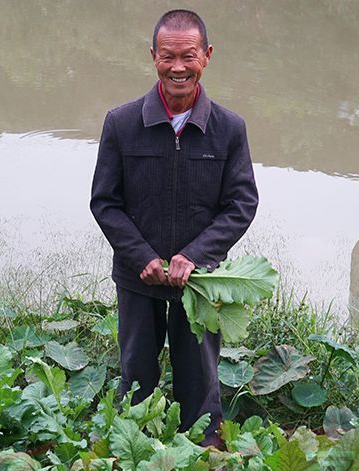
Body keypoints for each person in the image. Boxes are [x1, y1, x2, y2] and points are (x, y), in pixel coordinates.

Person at [89, 9, 258, 448]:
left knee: (200, 381)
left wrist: (196, 256)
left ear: (207, 55)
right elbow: (104, 202)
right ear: (153, 56)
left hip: (200, 284)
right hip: (137, 277)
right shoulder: (121, 124)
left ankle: (203, 460)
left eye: (188, 55)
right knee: (137, 374)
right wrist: (140, 255)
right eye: (168, 56)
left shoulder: (229, 129)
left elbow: (241, 204)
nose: (178, 67)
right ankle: (133, 455)